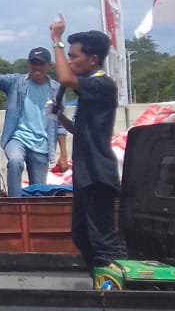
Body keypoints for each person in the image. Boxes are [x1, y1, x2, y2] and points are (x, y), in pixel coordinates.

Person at [49, 18, 127, 274]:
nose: (69, 61)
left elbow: (65, 77)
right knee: (82, 236)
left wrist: (57, 41)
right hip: (86, 174)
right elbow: (81, 130)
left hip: (97, 174)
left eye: (74, 56)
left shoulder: (101, 83)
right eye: (67, 56)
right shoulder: (91, 88)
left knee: (103, 240)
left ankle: (120, 288)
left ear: (92, 59)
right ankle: (101, 278)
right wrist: (59, 116)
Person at [0, 45, 69, 196]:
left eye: (41, 63)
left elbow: (59, 126)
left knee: (38, 192)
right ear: (29, 64)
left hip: (42, 145)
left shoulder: (56, 90)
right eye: (34, 63)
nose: (37, 67)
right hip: (17, 138)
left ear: (48, 65)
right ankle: (14, 203)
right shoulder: (17, 83)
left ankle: (33, 218)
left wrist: (63, 155)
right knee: (15, 161)